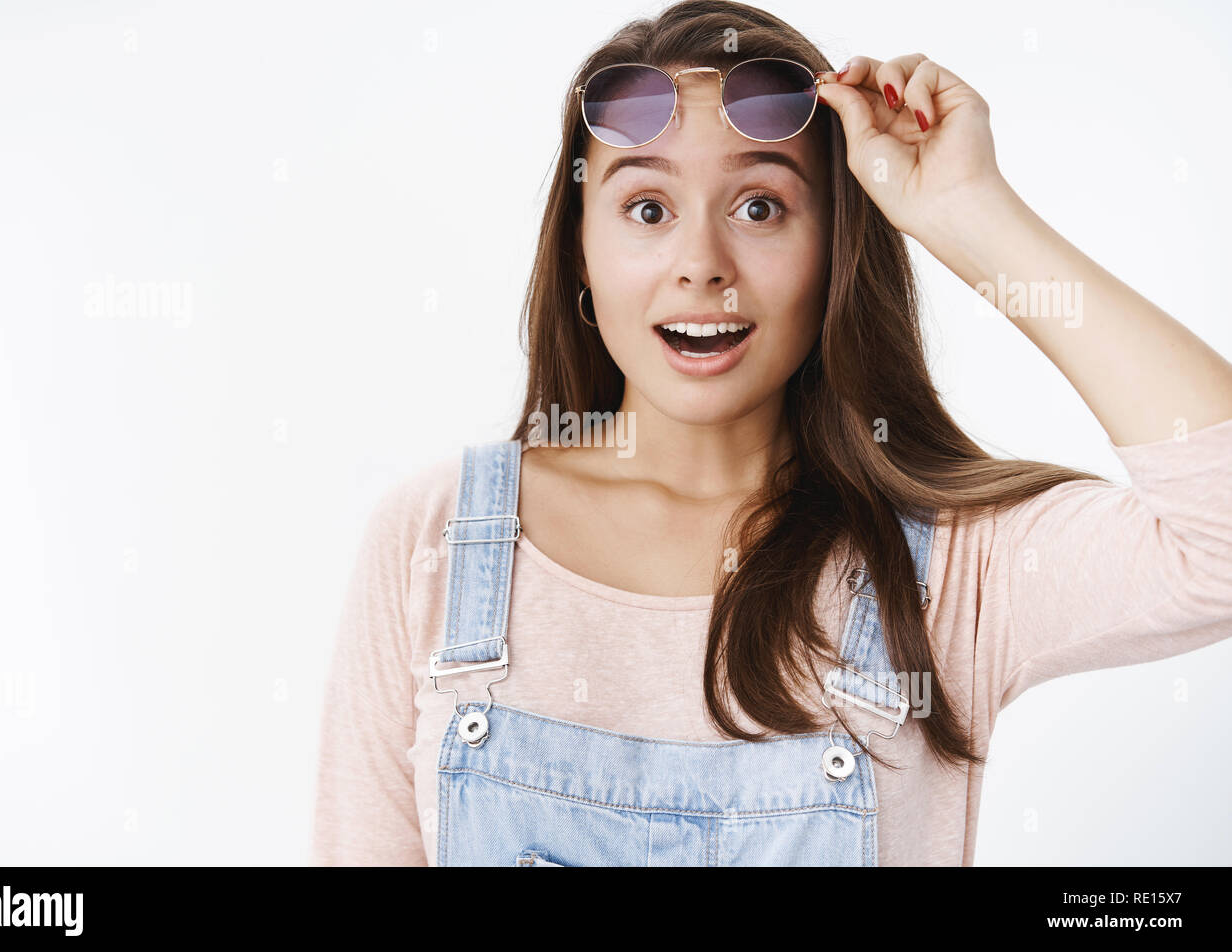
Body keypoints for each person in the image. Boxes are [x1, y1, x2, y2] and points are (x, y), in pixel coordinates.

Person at [311, 0, 1232, 866]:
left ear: (835, 251)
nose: (701, 266)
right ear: (579, 252)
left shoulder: (952, 567)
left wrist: (967, 212)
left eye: (761, 207)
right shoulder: (436, 539)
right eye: (647, 209)